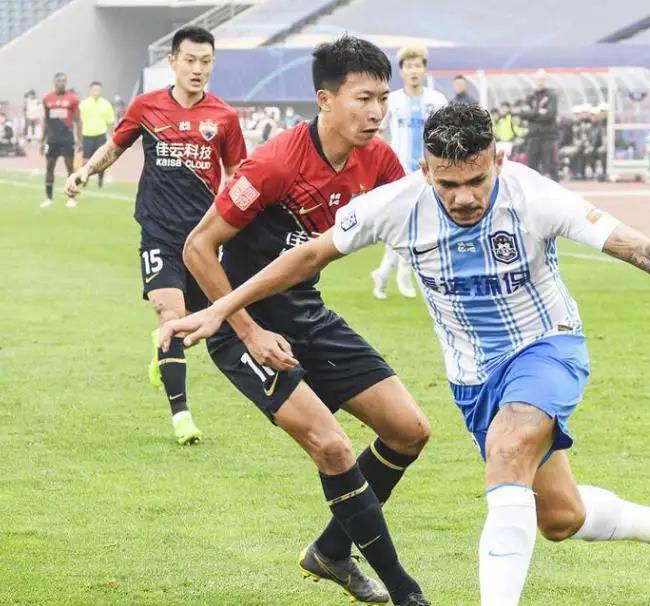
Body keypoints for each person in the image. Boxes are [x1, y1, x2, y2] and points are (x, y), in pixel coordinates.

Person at [161, 103, 650, 606]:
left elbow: (638, 248)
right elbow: (307, 256)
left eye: (477, 179)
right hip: (474, 379)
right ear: (425, 171)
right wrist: (222, 309)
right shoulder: (396, 207)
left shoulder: (534, 196)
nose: (466, 196)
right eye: (449, 184)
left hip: (546, 348)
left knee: (507, 450)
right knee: (559, 517)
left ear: (497, 161)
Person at [164, 36, 431, 606]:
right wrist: (249, 332)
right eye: (364, 98)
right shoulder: (276, 163)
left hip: (306, 310)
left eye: (383, 99)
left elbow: (419, 221)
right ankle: (406, 593)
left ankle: (331, 552)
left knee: (409, 430)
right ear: (325, 100)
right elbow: (197, 248)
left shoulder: (380, 161)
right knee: (332, 447)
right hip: (239, 321)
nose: (377, 112)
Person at [65, 27, 246, 445]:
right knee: (171, 317)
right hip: (158, 233)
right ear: (173, 62)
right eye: (190, 60)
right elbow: (115, 146)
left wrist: (240, 222)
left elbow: (238, 175)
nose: (198, 69)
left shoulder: (224, 117)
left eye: (206, 62)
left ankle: (162, 353)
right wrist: (85, 170)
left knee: (196, 326)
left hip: (202, 240)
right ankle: (182, 417)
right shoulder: (147, 107)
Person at [371, 45, 448, 300]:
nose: (414, 71)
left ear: (424, 70)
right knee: (403, 224)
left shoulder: (437, 100)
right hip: (398, 173)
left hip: (429, 172)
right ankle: (399, 272)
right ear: (401, 70)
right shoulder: (391, 100)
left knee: (417, 225)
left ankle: (385, 272)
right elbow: (377, 132)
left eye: (418, 66)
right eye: (409, 66)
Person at [40, 72, 81, 208]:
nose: (61, 83)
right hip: (52, 139)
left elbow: (78, 120)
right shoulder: (47, 99)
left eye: (64, 81)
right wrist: (42, 140)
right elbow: (46, 121)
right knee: (49, 167)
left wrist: (79, 140)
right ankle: (48, 198)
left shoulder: (72, 99)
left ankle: (72, 198)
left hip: (67, 139)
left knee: (70, 167)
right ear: (54, 82)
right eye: (59, 81)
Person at [522, 70, 559, 180]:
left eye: (542, 79)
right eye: (538, 80)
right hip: (533, 136)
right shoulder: (530, 96)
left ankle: (554, 187)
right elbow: (523, 114)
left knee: (550, 166)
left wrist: (532, 114)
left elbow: (550, 115)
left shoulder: (551, 95)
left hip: (548, 136)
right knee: (531, 166)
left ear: (547, 81)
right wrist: (538, 110)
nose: (540, 82)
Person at [79, 81, 116, 188]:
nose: (96, 92)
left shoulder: (106, 104)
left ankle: (100, 180)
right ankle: (84, 179)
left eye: (98, 90)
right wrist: (79, 138)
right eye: (94, 89)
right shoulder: (84, 104)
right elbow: (78, 121)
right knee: (86, 160)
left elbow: (110, 122)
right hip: (87, 135)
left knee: (101, 160)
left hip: (100, 135)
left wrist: (112, 137)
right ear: (90, 90)